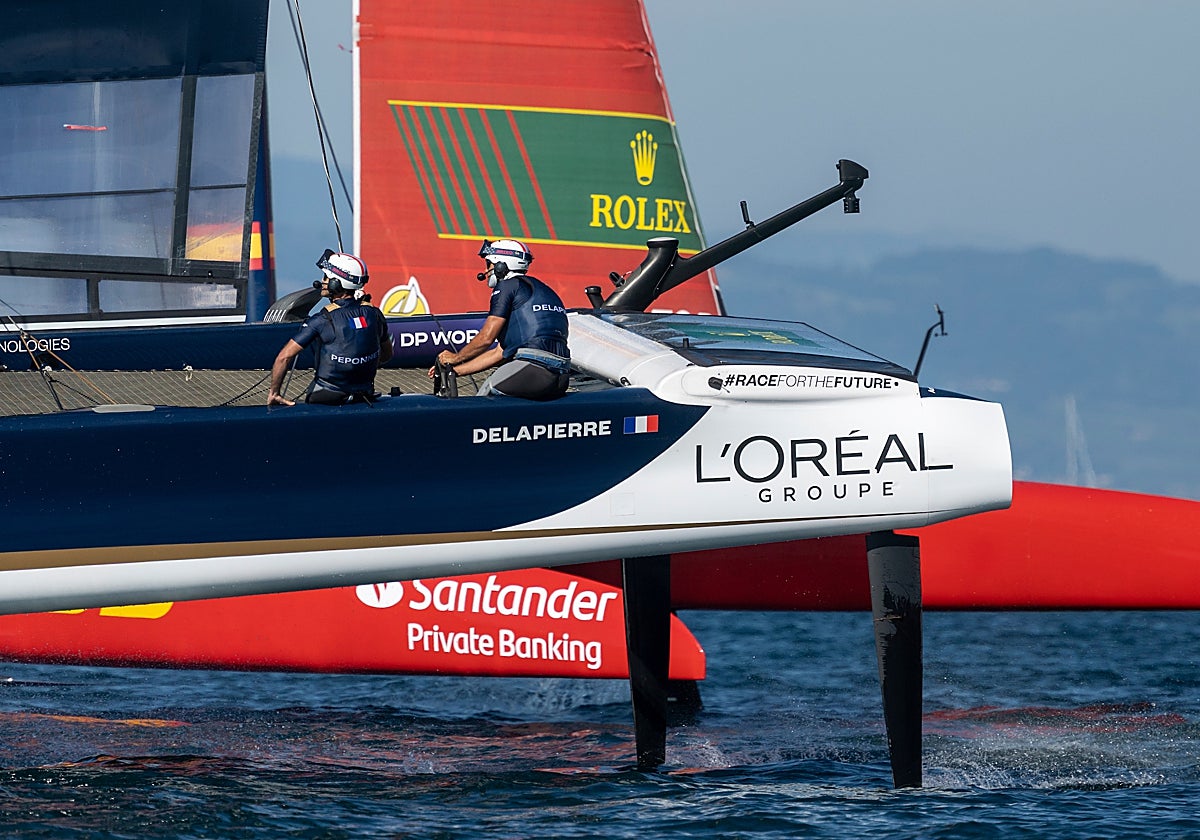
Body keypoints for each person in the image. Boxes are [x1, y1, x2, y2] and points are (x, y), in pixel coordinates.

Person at [432, 239, 570, 400]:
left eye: (488, 264)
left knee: (483, 401)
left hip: (532, 368)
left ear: (500, 266)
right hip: (561, 375)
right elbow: (500, 352)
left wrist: (455, 358)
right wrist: (456, 371)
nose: (486, 270)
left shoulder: (507, 286)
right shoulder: (544, 289)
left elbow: (486, 338)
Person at [268, 249, 393, 406]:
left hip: (326, 395)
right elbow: (387, 355)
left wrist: (274, 393)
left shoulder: (321, 320)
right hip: (365, 393)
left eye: (326, 277)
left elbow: (284, 357)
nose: (322, 281)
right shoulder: (374, 313)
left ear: (336, 283)